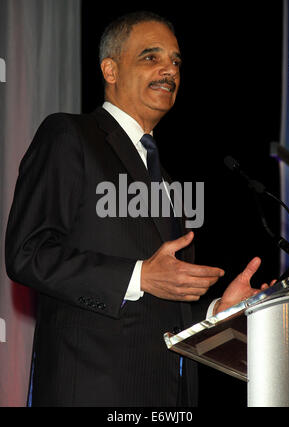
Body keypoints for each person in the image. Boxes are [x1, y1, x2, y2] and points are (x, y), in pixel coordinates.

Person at [5, 11, 271, 407]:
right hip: (92, 389)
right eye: (152, 57)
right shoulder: (69, 135)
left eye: (176, 61)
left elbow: (161, 303)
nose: (170, 70)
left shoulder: (164, 175)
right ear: (110, 69)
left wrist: (217, 311)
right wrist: (139, 275)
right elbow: (28, 254)